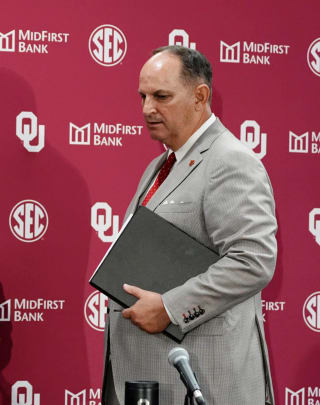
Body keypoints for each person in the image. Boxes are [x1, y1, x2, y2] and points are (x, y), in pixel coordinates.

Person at [101, 45, 277, 404]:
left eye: (161, 96)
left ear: (200, 96)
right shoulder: (158, 166)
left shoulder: (231, 161)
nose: (148, 108)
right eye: (143, 96)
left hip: (201, 378)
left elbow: (253, 260)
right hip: (146, 374)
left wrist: (169, 308)